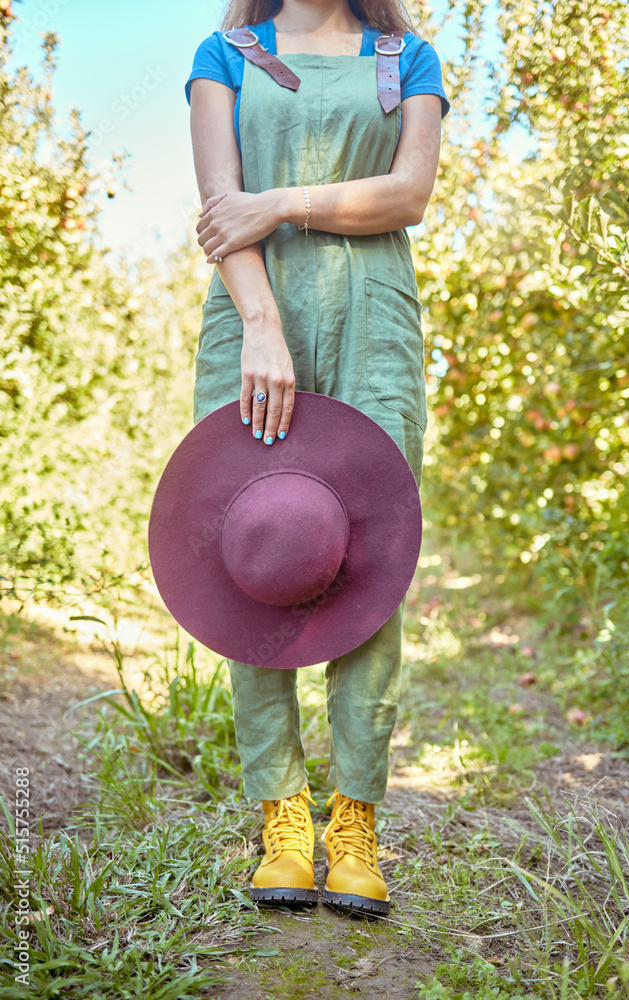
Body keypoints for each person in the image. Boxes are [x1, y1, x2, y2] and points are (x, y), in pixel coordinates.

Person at [185, 0, 449, 916]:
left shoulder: (406, 57)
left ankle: (357, 823)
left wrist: (282, 202)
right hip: (252, 320)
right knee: (254, 555)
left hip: (375, 325)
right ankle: (284, 820)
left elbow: (409, 195)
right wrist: (262, 323)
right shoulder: (224, 53)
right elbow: (222, 212)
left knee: (368, 561)